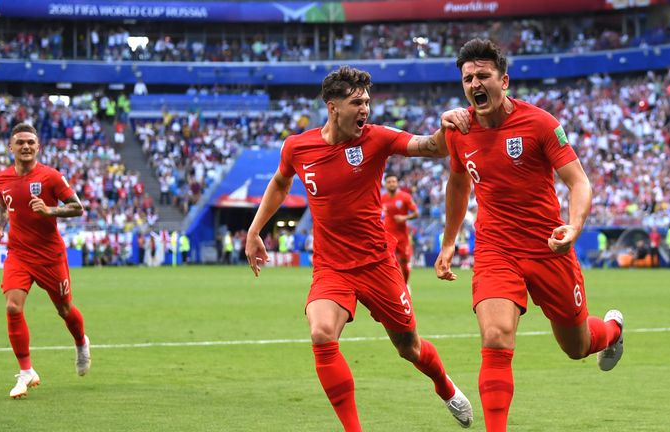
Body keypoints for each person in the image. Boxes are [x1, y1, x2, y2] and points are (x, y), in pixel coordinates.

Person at [246, 65, 474, 431]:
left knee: (409, 348)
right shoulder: (298, 146)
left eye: (367, 101)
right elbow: (279, 183)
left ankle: (445, 388)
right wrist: (255, 229)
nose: (365, 109)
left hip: (378, 265)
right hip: (331, 268)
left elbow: (429, 147)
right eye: (357, 102)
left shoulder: (376, 139)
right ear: (333, 107)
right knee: (321, 333)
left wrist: (446, 126)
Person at [434, 39, 623, 432]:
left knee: (577, 347)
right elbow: (457, 185)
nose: (474, 83)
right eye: (467, 78)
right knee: (496, 337)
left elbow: (579, 182)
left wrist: (573, 226)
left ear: (504, 80)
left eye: (483, 75)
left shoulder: (540, 123)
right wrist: (449, 240)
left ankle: (613, 329)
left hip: (548, 248)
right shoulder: (458, 130)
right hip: (495, 249)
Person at [0, 123, 91, 399]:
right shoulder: (1, 178)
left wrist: (49, 210)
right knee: (12, 307)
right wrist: (0, 228)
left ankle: (81, 342)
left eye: (30, 142)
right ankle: (26, 372)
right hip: (19, 254)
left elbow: (77, 207)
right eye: (20, 142)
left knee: (64, 309)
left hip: (50, 256)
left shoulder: (51, 177)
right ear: (11, 147)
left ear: (38, 147)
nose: (25, 146)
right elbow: (3, 204)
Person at [381, 173, 419, 285]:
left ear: (397, 183)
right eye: (389, 182)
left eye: (393, 181)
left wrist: (404, 217)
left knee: (404, 262)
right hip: (388, 235)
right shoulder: (382, 198)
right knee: (388, 262)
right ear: (385, 184)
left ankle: (405, 285)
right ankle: (393, 286)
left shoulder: (405, 197)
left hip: (402, 236)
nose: (391, 184)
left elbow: (416, 213)